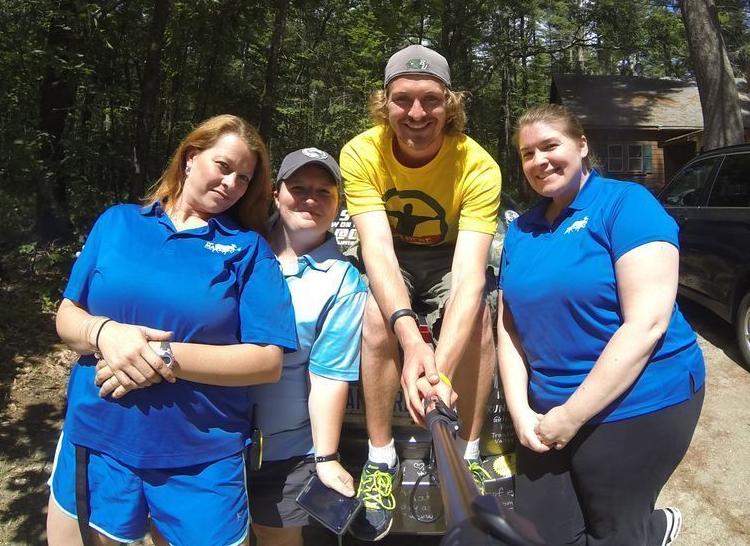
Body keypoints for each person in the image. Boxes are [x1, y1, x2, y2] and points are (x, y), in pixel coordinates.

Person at [46, 114, 299, 546]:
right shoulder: (118, 223)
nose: (231, 183)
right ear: (189, 157)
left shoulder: (248, 249)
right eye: (224, 166)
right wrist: (106, 334)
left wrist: (160, 357)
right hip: (98, 438)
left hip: (200, 457)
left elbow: (266, 361)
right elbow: (67, 315)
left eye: (244, 178)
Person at [497, 104, 705, 546]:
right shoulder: (521, 230)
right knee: (540, 536)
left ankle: (646, 530)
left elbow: (647, 323)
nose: (539, 161)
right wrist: (520, 412)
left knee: (612, 532)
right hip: (547, 410)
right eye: (527, 153)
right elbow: (508, 326)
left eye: (550, 146)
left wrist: (572, 417)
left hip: (636, 400)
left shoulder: (626, 204)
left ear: (582, 144)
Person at [339, 44, 502, 541]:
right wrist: (412, 341)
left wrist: (441, 369)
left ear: (449, 103)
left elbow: (471, 274)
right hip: (395, 255)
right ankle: (380, 458)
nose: (416, 113)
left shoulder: (477, 165)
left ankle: (470, 451)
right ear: (383, 103)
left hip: (452, 256)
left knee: (477, 317)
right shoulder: (361, 152)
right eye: (402, 99)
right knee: (374, 315)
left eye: (430, 99)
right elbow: (379, 252)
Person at [246, 148, 368, 546]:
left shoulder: (344, 282)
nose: (310, 199)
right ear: (276, 194)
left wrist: (327, 456)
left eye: (324, 191)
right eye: (298, 188)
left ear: (339, 205)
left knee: (277, 537)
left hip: (288, 452)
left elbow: (329, 375)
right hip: (213, 439)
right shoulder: (240, 248)